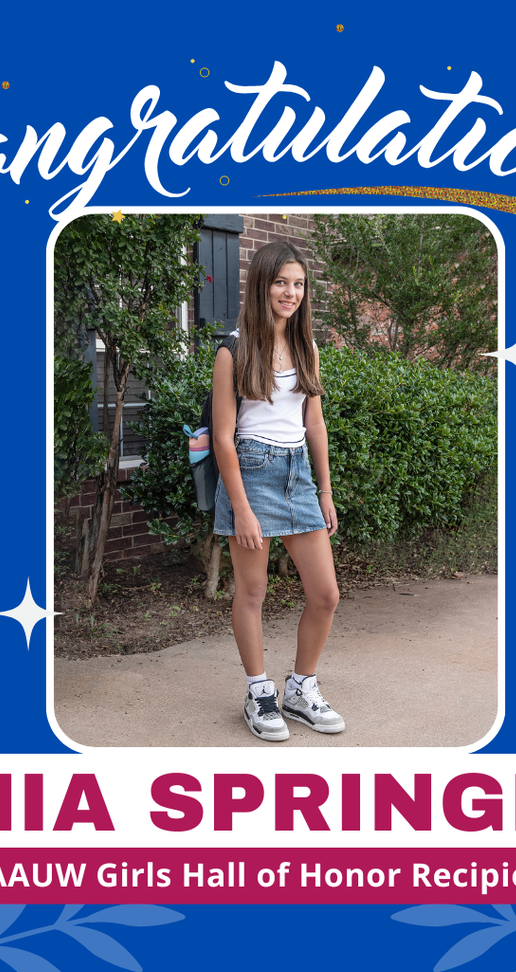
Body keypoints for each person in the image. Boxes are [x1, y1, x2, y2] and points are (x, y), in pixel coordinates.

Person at [211, 241, 343, 741]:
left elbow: (315, 424)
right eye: (282, 282)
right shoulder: (235, 348)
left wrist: (325, 491)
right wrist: (241, 508)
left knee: (325, 594)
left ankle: (301, 687)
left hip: (297, 477)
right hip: (251, 470)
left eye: (299, 283)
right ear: (262, 284)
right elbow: (224, 436)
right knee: (252, 591)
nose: (291, 292)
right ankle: (258, 691)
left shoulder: (307, 345)